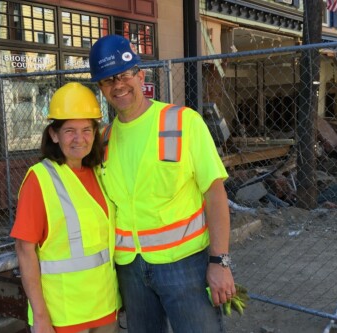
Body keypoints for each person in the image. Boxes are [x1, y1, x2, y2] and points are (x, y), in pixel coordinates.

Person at [88, 34, 235, 333]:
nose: (118, 85)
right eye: (107, 81)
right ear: (101, 89)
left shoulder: (183, 122)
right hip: (129, 268)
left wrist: (220, 261)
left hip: (185, 265)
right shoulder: (103, 139)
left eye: (124, 74)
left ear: (140, 75)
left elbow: (214, 193)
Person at [10, 82, 120, 333]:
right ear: (54, 134)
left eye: (86, 130)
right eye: (70, 130)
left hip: (104, 307)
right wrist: (40, 317)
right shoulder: (40, 179)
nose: (79, 139)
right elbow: (25, 251)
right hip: (63, 315)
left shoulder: (98, 173)